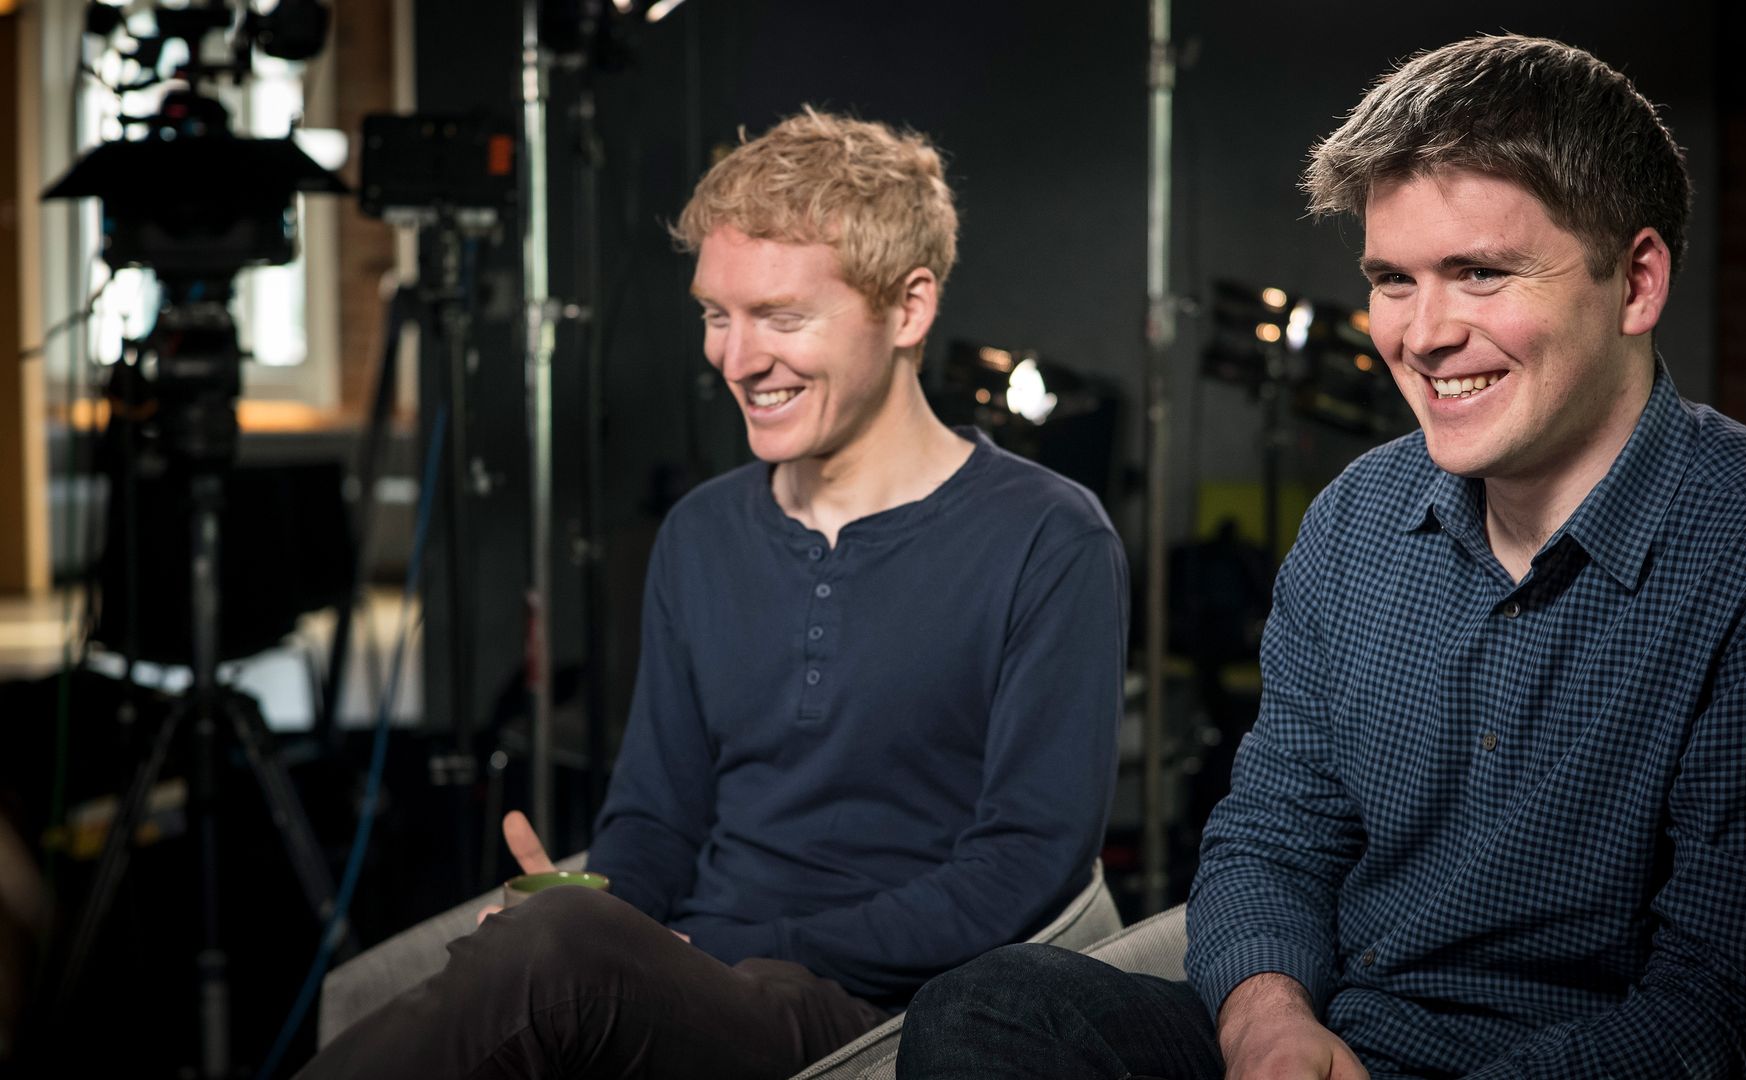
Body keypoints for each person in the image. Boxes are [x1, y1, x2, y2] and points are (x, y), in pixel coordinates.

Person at [896, 34, 1746, 1080]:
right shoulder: (1357, 522)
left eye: (1479, 274)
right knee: (985, 1012)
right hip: (1338, 1041)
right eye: (1393, 279)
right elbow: (1273, 836)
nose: (1422, 335)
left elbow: (1723, 1007)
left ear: (1636, 282)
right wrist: (1268, 1022)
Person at [300, 107, 1127, 1079]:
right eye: (714, 314)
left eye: (781, 317)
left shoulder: (1050, 537)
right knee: (545, 943)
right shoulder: (700, 533)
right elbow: (655, 818)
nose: (735, 362)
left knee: (556, 961)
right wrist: (593, 900)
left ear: (909, 309)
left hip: (865, 1004)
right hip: (682, 970)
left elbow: (1020, 872)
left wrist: (696, 952)